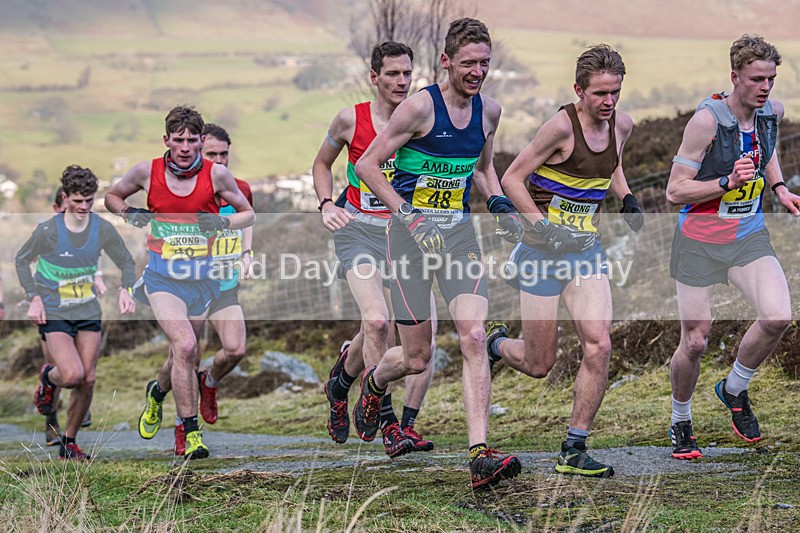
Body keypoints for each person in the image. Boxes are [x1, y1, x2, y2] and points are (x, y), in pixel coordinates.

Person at [353, 18, 525, 490]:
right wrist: (409, 213)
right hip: (409, 241)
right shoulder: (417, 110)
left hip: (459, 238)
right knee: (416, 358)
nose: (477, 72)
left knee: (472, 336)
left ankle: (479, 456)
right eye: (468, 63)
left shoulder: (490, 111)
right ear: (446, 62)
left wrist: (499, 204)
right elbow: (367, 165)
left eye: (485, 63)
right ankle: (371, 384)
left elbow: (483, 169)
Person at [487, 44, 643, 478]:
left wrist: (626, 196)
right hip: (541, 251)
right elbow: (510, 178)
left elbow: (611, 164)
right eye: (600, 94)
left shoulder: (621, 125)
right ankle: (495, 345)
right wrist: (541, 225)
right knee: (540, 365)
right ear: (579, 90)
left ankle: (573, 448)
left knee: (600, 343)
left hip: (584, 251)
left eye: (615, 92)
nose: (609, 102)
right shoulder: (559, 128)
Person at [665, 35, 798, 459]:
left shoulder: (771, 112)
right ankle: (680, 419)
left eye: (771, 79)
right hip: (699, 242)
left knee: (778, 316)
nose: (765, 87)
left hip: (746, 236)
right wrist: (726, 182)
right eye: (756, 79)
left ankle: (734, 389)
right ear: (734, 76)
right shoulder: (707, 121)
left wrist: (777, 187)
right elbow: (673, 192)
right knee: (697, 341)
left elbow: (766, 150)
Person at [105, 106, 255, 459]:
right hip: (162, 279)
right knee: (185, 346)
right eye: (178, 140)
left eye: (192, 140)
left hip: (201, 282)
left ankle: (156, 393)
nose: (185, 147)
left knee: (183, 355)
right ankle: (191, 433)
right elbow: (111, 196)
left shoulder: (217, 176)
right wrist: (129, 213)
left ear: (202, 142)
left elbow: (247, 213)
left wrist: (222, 225)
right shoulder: (148, 171)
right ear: (166, 140)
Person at [312, 42, 435, 457]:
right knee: (377, 321)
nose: (402, 81)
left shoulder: (422, 119)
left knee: (418, 336)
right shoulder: (351, 120)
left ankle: (343, 382)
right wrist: (327, 203)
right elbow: (320, 165)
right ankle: (387, 425)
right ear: (374, 77)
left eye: (407, 74)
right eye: (393, 74)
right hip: (359, 233)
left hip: (404, 240)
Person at [16, 165, 137, 460]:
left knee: (89, 378)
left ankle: (68, 442)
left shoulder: (102, 229)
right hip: (54, 310)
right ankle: (48, 377)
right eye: (77, 200)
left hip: (87, 310)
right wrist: (33, 298)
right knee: (71, 375)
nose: (83, 207)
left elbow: (127, 262)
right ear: (66, 197)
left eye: (88, 200)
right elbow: (21, 260)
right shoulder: (48, 231)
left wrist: (126, 289)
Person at [168, 123, 254, 455]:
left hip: (224, 284)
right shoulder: (186, 192)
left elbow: (249, 217)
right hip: (190, 285)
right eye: (212, 154)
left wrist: (247, 253)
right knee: (184, 356)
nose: (219, 161)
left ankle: (210, 382)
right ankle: (180, 424)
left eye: (224, 154)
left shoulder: (239, 186)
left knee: (235, 349)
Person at [41, 187, 97, 446]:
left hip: (83, 309)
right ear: (57, 208)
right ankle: (51, 422)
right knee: (60, 369)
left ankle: (71, 433)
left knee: (83, 372)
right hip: (52, 310)